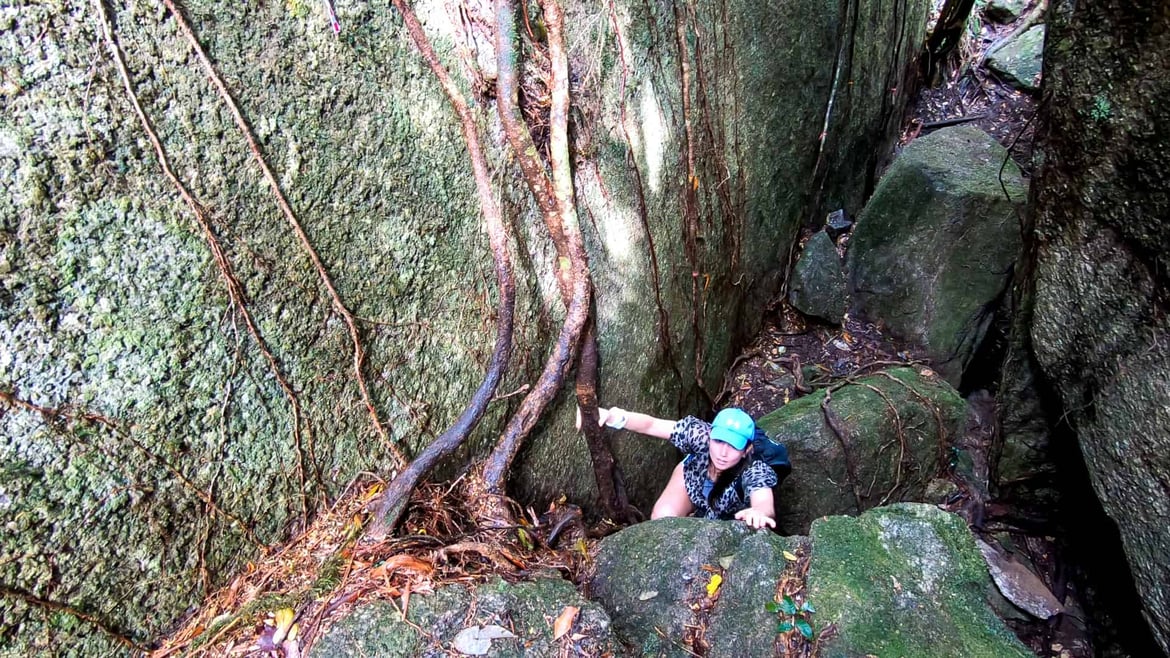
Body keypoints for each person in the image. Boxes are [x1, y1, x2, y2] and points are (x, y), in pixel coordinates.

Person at [583, 405, 777, 529]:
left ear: (746, 450)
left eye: (734, 446)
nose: (722, 453)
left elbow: (763, 500)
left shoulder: (754, 469)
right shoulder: (699, 434)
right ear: (710, 434)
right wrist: (614, 417)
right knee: (663, 519)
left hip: (724, 506)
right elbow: (652, 425)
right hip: (692, 479)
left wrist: (760, 512)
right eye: (718, 441)